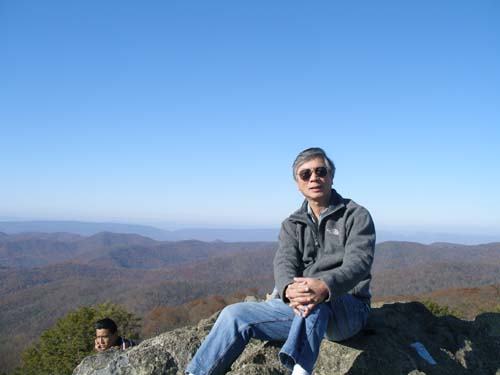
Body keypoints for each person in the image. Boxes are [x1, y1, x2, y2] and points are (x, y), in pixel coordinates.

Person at [186, 147, 376, 375]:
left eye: (320, 171)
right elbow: (284, 262)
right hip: (301, 305)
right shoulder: (292, 224)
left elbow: (359, 262)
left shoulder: (355, 215)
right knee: (233, 315)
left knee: (315, 303)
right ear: (297, 183)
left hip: (348, 309)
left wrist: (324, 287)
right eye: (305, 174)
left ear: (331, 176)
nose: (314, 177)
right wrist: (287, 289)